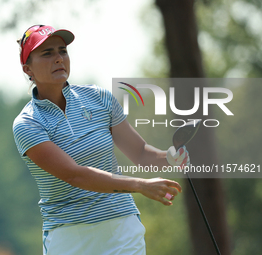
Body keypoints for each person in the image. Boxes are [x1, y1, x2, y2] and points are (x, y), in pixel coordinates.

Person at [13, 24, 189, 255]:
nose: (58, 58)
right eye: (47, 53)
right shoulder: (28, 123)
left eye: (62, 51)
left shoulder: (99, 98)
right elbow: (74, 174)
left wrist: (170, 157)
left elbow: (141, 152)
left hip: (122, 228)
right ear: (28, 69)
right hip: (70, 236)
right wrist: (139, 185)